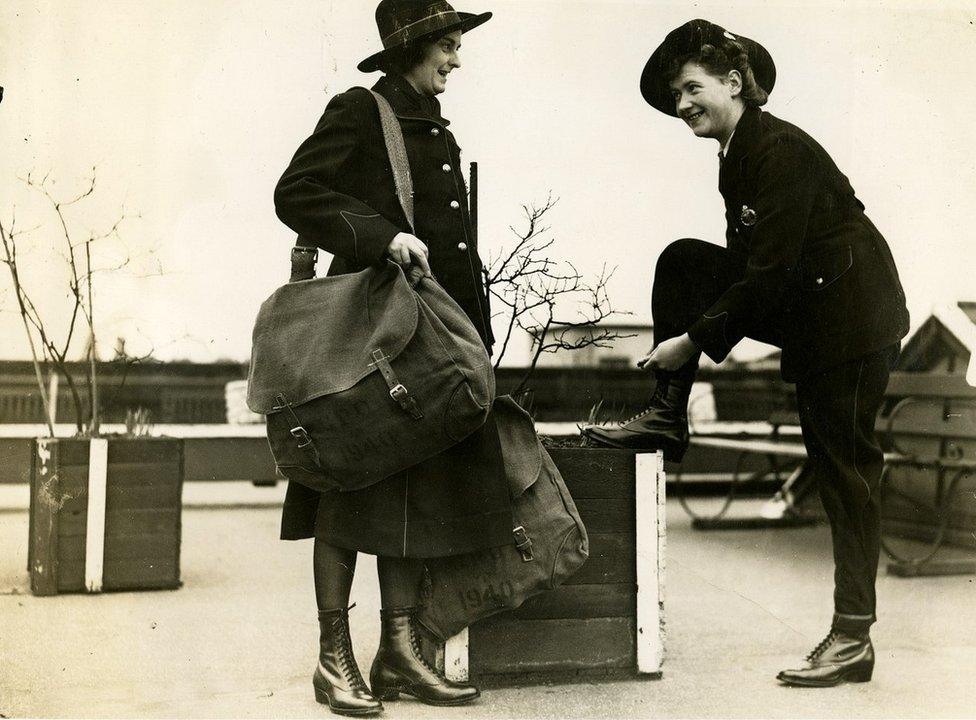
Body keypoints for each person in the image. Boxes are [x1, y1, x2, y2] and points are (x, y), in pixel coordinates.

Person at [583, 19, 910, 687]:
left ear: (734, 83)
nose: (682, 106)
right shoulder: (740, 151)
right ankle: (668, 416)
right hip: (815, 307)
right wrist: (697, 333)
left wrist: (694, 340)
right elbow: (748, 268)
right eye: (675, 95)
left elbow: (768, 275)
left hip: (852, 321)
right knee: (682, 264)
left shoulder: (776, 149)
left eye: (692, 89)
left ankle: (852, 637)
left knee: (842, 468)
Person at [273, 1, 509, 714]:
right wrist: (381, 237)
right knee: (347, 488)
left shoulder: (430, 123)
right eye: (448, 45)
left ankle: (399, 652)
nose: (457, 59)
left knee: (417, 494)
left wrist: (474, 334)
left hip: (430, 341)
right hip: (368, 345)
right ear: (414, 46)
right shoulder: (360, 109)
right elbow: (296, 192)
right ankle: (332, 660)